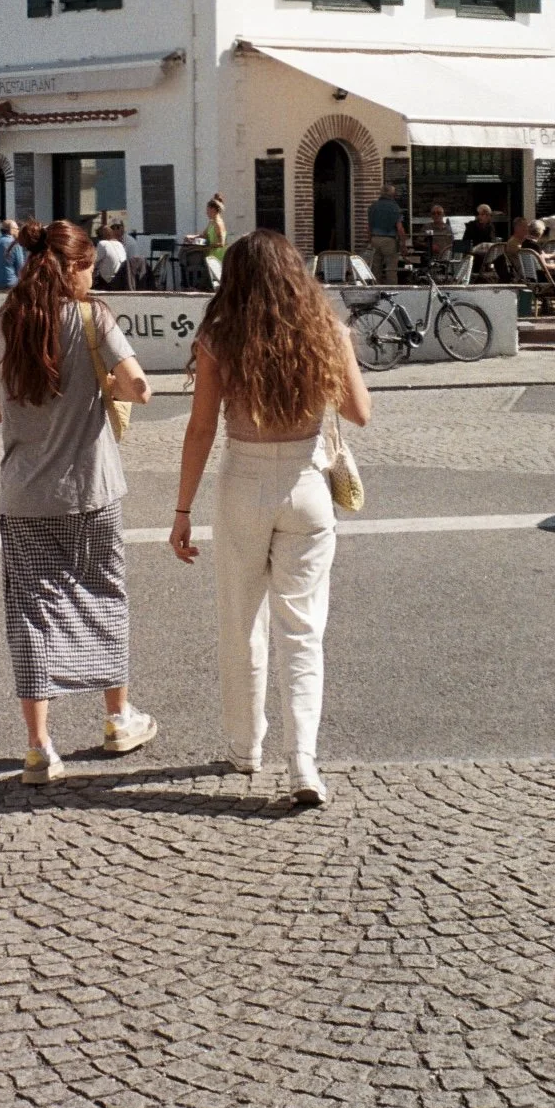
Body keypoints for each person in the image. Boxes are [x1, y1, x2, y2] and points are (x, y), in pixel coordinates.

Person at [169, 231, 371, 807]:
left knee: (241, 622)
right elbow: (360, 413)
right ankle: (303, 760)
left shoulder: (220, 337)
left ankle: (245, 745)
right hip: (306, 485)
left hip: (242, 483)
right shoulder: (325, 331)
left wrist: (181, 508)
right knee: (303, 631)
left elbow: (201, 429)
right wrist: (338, 354)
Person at [0, 219, 157, 784]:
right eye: (88, 268)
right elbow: (139, 388)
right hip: (92, 490)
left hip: (24, 493)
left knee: (32, 615)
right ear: (73, 266)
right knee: (105, 594)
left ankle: (38, 748)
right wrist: (101, 382)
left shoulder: (2, 321)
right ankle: (118, 718)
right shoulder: (93, 316)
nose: (93, 276)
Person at [366, 184, 407, 285]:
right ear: (393, 194)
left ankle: (376, 291)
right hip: (389, 240)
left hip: (375, 239)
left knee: (375, 269)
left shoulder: (373, 206)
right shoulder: (394, 207)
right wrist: (403, 244)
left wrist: (370, 240)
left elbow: (368, 227)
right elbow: (399, 228)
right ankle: (391, 293)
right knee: (391, 270)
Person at [0, 219, 26, 291]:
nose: (18, 231)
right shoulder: (15, 244)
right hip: (9, 283)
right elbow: (21, 268)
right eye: (17, 229)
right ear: (12, 230)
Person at [93, 224, 128, 289]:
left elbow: (94, 262)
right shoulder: (119, 244)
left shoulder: (103, 244)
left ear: (99, 236)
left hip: (109, 281)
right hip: (122, 278)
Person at [203, 195, 228, 285]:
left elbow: (222, 243)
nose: (206, 213)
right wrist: (192, 238)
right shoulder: (211, 222)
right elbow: (204, 235)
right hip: (211, 255)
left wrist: (208, 246)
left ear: (213, 210)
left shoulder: (218, 223)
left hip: (218, 255)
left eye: (208, 210)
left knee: (219, 279)